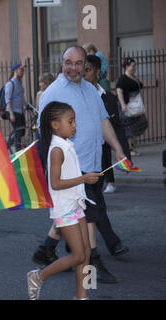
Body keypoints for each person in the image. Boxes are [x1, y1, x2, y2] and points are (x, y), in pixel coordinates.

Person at [34, 45, 129, 284]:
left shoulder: (90, 90)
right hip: (72, 169)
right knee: (89, 215)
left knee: (76, 214)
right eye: (68, 63)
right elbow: (42, 133)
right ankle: (93, 264)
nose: (73, 68)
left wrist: (118, 150)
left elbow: (103, 122)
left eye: (78, 64)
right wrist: (54, 169)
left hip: (93, 163)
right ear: (62, 63)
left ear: (85, 65)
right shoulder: (53, 92)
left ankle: (46, 250)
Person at [28, 101, 100, 300]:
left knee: (86, 253)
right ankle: (38, 276)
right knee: (78, 255)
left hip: (76, 203)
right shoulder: (56, 149)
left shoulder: (65, 145)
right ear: (55, 124)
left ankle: (82, 297)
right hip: (64, 208)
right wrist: (85, 178)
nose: (75, 125)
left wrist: (84, 179)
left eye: (74, 121)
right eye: (70, 121)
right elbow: (56, 183)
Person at [84, 54, 131, 194]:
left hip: (102, 142)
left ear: (97, 72)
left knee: (105, 162)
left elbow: (116, 125)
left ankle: (110, 181)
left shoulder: (108, 98)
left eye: (88, 70)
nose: (83, 74)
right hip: (83, 151)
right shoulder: (76, 94)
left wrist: (122, 151)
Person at [116, 57, 148, 157]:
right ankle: (130, 149)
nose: (134, 68)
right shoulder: (123, 79)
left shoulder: (134, 77)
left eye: (135, 66)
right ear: (126, 66)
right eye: (132, 66)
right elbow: (119, 91)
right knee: (128, 127)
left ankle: (132, 145)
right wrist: (123, 105)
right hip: (127, 106)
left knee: (142, 122)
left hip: (136, 105)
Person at [5, 63, 29, 151]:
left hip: (20, 111)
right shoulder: (10, 84)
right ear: (15, 71)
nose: (22, 72)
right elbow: (8, 99)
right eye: (21, 70)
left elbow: (21, 96)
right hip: (13, 111)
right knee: (18, 131)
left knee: (22, 131)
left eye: (23, 70)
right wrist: (11, 113)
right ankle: (18, 151)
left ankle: (7, 146)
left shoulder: (20, 83)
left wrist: (26, 105)